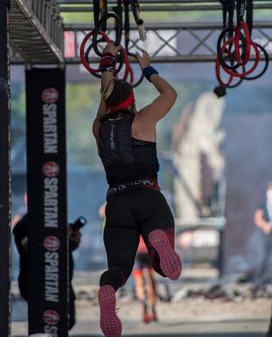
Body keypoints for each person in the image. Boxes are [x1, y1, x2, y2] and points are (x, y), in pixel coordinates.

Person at [92, 43, 182, 337]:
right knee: (161, 266)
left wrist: (108, 60)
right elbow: (170, 95)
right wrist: (148, 68)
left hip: (116, 204)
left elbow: (105, 95)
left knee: (118, 269)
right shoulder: (143, 120)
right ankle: (157, 243)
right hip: (147, 196)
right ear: (132, 100)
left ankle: (108, 289)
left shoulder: (99, 127)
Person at [12, 213, 87, 330]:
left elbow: (67, 248)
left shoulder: (55, 219)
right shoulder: (24, 225)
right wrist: (61, 238)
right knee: (47, 324)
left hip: (61, 282)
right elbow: (32, 250)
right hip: (39, 283)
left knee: (67, 322)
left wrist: (73, 239)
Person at [133, 236, 158, 324]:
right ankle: (152, 310)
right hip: (147, 250)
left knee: (140, 282)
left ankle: (145, 311)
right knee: (150, 281)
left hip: (137, 252)